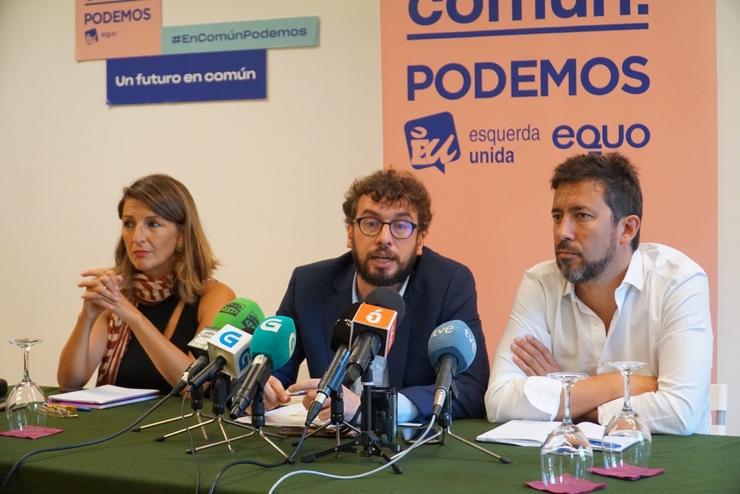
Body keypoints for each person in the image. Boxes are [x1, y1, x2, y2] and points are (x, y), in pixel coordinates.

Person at [485, 152, 712, 435]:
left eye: (581, 216)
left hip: (675, 464)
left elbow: (681, 412)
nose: (562, 232)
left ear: (627, 229)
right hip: (570, 460)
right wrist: (619, 383)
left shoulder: (679, 281)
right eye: (557, 216)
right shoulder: (540, 283)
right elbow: (498, 400)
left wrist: (573, 400)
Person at [263, 169, 489, 422]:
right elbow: (275, 369)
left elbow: (471, 387)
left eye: (400, 226)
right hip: (328, 441)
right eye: (371, 223)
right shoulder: (309, 285)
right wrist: (261, 388)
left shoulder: (448, 284)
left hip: (409, 447)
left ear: (420, 240)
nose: (384, 239)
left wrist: (378, 409)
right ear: (350, 233)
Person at [57, 174, 235, 393]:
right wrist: (87, 317)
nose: (137, 237)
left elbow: (196, 383)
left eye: (153, 224)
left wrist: (132, 316)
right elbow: (69, 382)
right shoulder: (118, 293)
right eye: (129, 224)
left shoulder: (215, 296)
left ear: (181, 235)